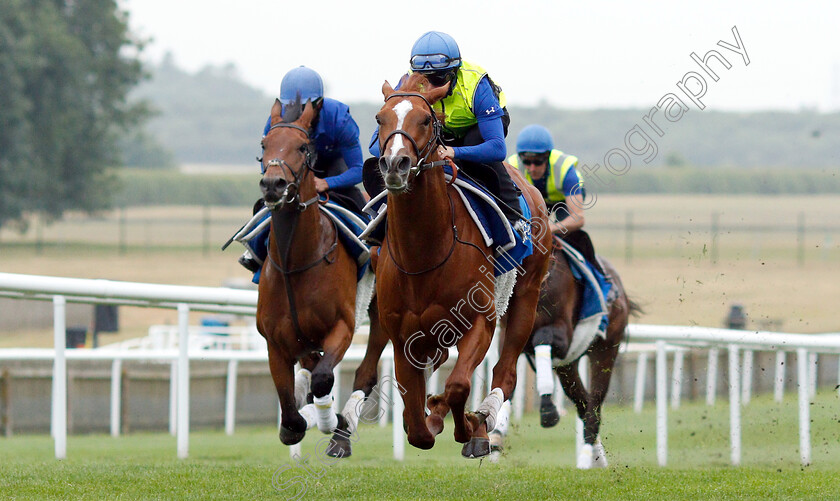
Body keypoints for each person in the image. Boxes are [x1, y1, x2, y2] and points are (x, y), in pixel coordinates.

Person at [369, 31, 525, 233]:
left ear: (454, 72)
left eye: (439, 78)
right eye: (425, 79)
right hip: (438, 128)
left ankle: (514, 218)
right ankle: (377, 226)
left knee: (474, 147)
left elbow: (497, 149)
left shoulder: (476, 85)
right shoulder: (408, 84)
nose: (431, 86)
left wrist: (455, 152)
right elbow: (376, 144)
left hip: (479, 128)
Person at [506, 124, 604, 427]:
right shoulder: (511, 167)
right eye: (527, 161)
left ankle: (602, 291)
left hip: (560, 215)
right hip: (529, 214)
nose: (532, 167)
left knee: (582, 246)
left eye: (537, 161)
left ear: (547, 158)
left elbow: (578, 217)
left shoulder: (566, 170)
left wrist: (549, 229)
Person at [239, 66, 367, 274]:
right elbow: (268, 161)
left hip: (333, 170)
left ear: (320, 104)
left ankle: (369, 248)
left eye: (305, 106)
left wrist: (327, 183)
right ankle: (255, 254)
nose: (297, 112)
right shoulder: (276, 121)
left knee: (360, 210)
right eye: (292, 106)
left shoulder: (341, 120)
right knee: (266, 204)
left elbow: (358, 170)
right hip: (294, 173)